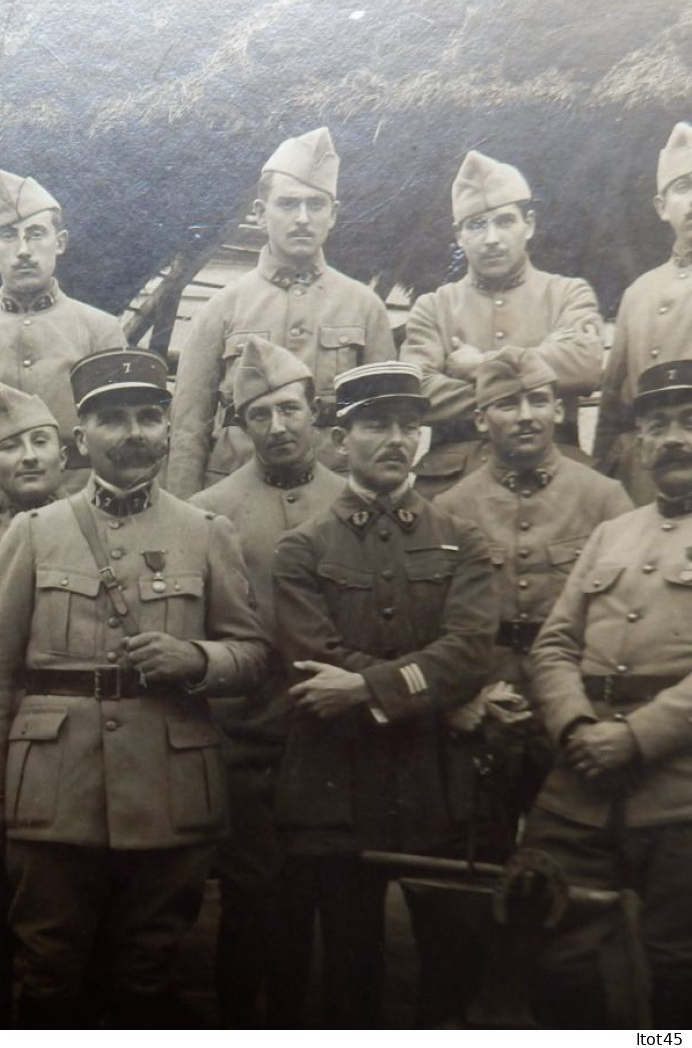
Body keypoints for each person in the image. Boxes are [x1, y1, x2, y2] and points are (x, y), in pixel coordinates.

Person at [0, 347, 269, 1027]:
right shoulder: (34, 532)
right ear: (82, 437)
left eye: (149, 416)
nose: (134, 433)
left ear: (167, 430)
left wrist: (195, 656)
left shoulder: (206, 532)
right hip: (52, 791)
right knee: (49, 969)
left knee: (147, 970)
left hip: (169, 792)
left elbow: (253, 655)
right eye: (113, 419)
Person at [272, 360, 497, 1028]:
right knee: (350, 970)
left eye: (409, 425)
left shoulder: (462, 539)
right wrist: (417, 686)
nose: (396, 439)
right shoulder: (302, 548)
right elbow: (315, 663)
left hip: (437, 787)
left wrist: (368, 687)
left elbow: (470, 653)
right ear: (340, 440)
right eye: (375, 425)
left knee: (452, 961)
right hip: (340, 787)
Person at [522, 358, 692, 1029]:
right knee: (555, 940)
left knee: (676, 961)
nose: (673, 439)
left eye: (688, 423)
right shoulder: (611, 533)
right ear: (639, 442)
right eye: (658, 427)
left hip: (679, 792)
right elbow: (554, 645)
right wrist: (573, 728)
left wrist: (636, 736)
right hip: (581, 784)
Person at [188, 336, 345, 1027]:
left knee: (328, 903)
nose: (278, 427)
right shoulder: (209, 509)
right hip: (246, 737)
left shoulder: (352, 500)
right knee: (250, 901)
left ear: (315, 412)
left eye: (289, 409)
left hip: (333, 734)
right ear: (239, 425)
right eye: (259, 414)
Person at [435, 348, 632, 843]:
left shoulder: (605, 498)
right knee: (476, 863)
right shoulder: (450, 507)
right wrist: (465, 700)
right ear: (481, 419)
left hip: (573, 710)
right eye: (507, 404)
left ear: (559, 410)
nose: (526, 416)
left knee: (573, 861)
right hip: (486, 707)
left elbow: (627, 618)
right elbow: (431, 624)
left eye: (538, 401)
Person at [168, 126, 395, 496]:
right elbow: (188, 431)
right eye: (288, 204)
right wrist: (186, 521)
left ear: (333, 214)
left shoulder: (365, 308)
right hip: (234, 501)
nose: (303, 217)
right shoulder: (220, 309)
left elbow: (380, 426)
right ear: (260, 213)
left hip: (334, 501)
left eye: (316, 204)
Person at [401, 151, 603, 497]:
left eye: (504, 221)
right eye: (477, 225)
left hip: (558, 486)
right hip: (454, 486)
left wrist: (479, 365)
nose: (491, 238)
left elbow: (583, 365)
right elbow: (414, 393)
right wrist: (530, 386)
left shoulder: (567, 293)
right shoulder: (434, 307)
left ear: (530, 224)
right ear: (459, 236)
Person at [0, 171, 124, 514]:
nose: (23, 250)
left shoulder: (100, 330)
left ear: (60, 242)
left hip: (80, 509)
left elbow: (118, 441)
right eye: (7, 236)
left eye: (36, 234)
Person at [594, 122, 692, 505]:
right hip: (647, 479)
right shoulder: (639, 294)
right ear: (661, 207)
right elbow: (612, 404)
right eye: (684, 187)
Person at [0, 382, 69, 555]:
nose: (29, 456)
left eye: (40, 442)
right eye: (10, 447)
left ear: (62, 458)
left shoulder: (93, 522)